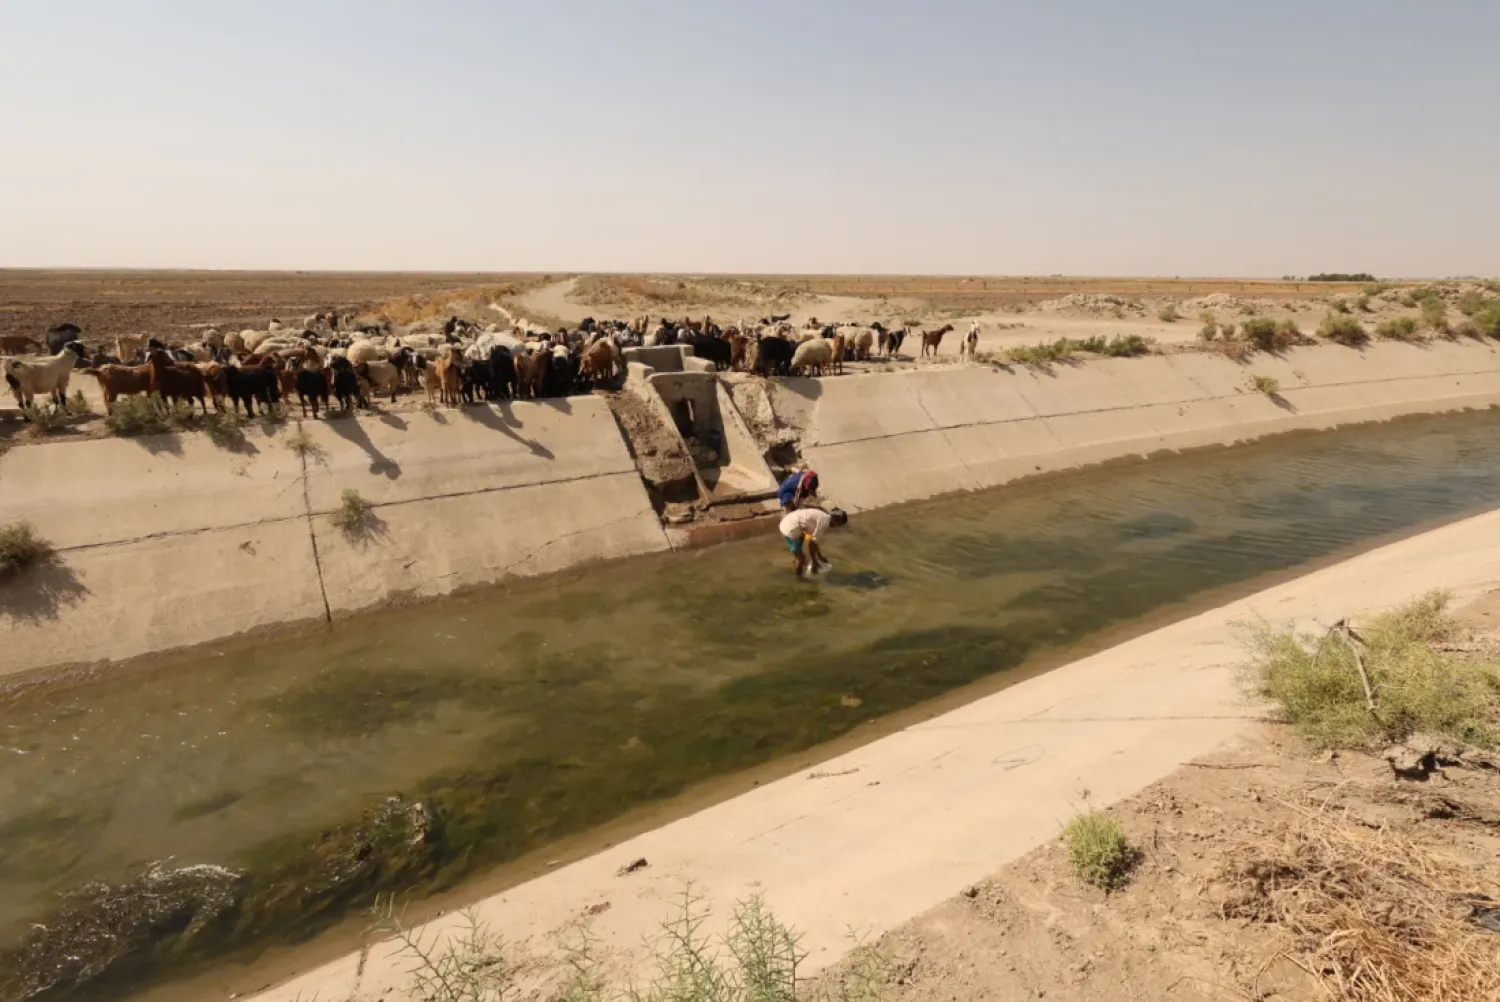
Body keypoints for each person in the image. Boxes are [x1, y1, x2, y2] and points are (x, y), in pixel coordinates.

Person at [779, 505, 847, 579]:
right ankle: (799, 579)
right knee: (802, 559)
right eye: (839, 524)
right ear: (835, 519)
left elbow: (814, 540)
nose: (837, 527)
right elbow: (812, 543)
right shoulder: (825, 522)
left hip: (787, 521)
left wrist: (819, 556)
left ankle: (796, 560)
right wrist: (814, 562)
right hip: (790, 528)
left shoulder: (823, 515)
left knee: (801, 542)